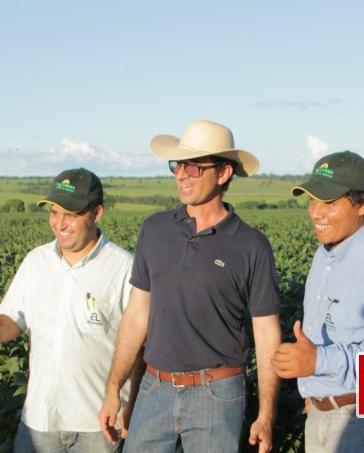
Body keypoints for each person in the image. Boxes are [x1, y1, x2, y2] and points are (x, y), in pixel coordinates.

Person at [99, 120, 282, 453]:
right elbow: (137, 315)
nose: (181, 174)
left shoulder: (252, 246)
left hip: (218, 394)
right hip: (155, 387)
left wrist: (266, 414)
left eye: (194, 167)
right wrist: (115, 387)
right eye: (178, 165)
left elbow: (267, 334)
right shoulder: (154, 229)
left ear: (224, 173)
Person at [0, 167, 139, 453]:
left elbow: (140, 346)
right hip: (39, 422)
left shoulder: (125, 268)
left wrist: (131, 405)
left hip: (98, 425)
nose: (59, 223)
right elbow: (13, 316)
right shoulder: (35, 261)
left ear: (96, 213)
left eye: (71, 214)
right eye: (54, 212)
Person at [272, 151, 364, 452]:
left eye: (329, 202)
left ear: (363, 203)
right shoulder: (324, 255)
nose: (316, 212)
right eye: (313, 200)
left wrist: (318, 362)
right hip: (320, 413)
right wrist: (315, 391)